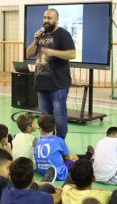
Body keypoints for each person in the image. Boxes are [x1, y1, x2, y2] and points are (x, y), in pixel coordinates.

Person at [26, 8, 76, 139]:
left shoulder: (63, 34)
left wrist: (54, 52)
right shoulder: (40, 35)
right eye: (44, 18)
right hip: (42, 84)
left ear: (56, 19)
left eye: (49, 18)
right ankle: (47, 142)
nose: (46, 21)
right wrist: (35, 40)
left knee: (59, 118)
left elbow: (72, 53)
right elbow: (29, 53)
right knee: (44, 119)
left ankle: (60, 143)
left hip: (58, 84)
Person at [35, 115, 78, 181]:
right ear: (54, 127)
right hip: (59, 174)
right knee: (74, 158)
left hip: (41, 171)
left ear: (40, 128)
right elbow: (67, 157)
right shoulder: (59, 140)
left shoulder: (38, 141)